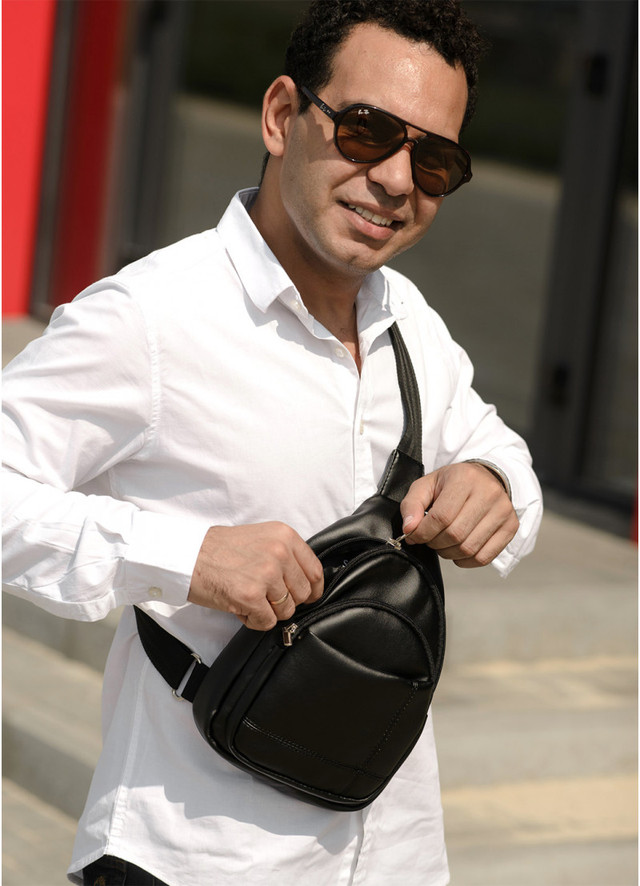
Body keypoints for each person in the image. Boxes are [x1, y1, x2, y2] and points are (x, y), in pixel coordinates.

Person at [2, 1, 543, 884]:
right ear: (283, 115)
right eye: (367, 130)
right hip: (195, 853)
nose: (396, 179)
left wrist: (492, 482)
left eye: (434, 161)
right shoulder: (153, 317)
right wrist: (188, 558)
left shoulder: (409, 322)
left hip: (397, 853)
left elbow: (505, 457)